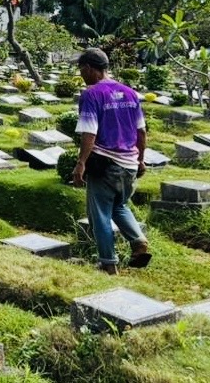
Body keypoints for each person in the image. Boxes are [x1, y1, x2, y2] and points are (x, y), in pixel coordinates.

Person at [71, 47, 152, 275]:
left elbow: (89, 134)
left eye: (81, 70)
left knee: (100, 216)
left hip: (105, 163)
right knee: (120, 205)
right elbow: (141, 132)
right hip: (129, 164)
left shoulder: (91, 94)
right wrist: (141, 160)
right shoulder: (130, 92)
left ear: (88, 68)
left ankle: (108, 263)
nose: (81, 75)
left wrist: (80, 164)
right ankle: (138, 241)